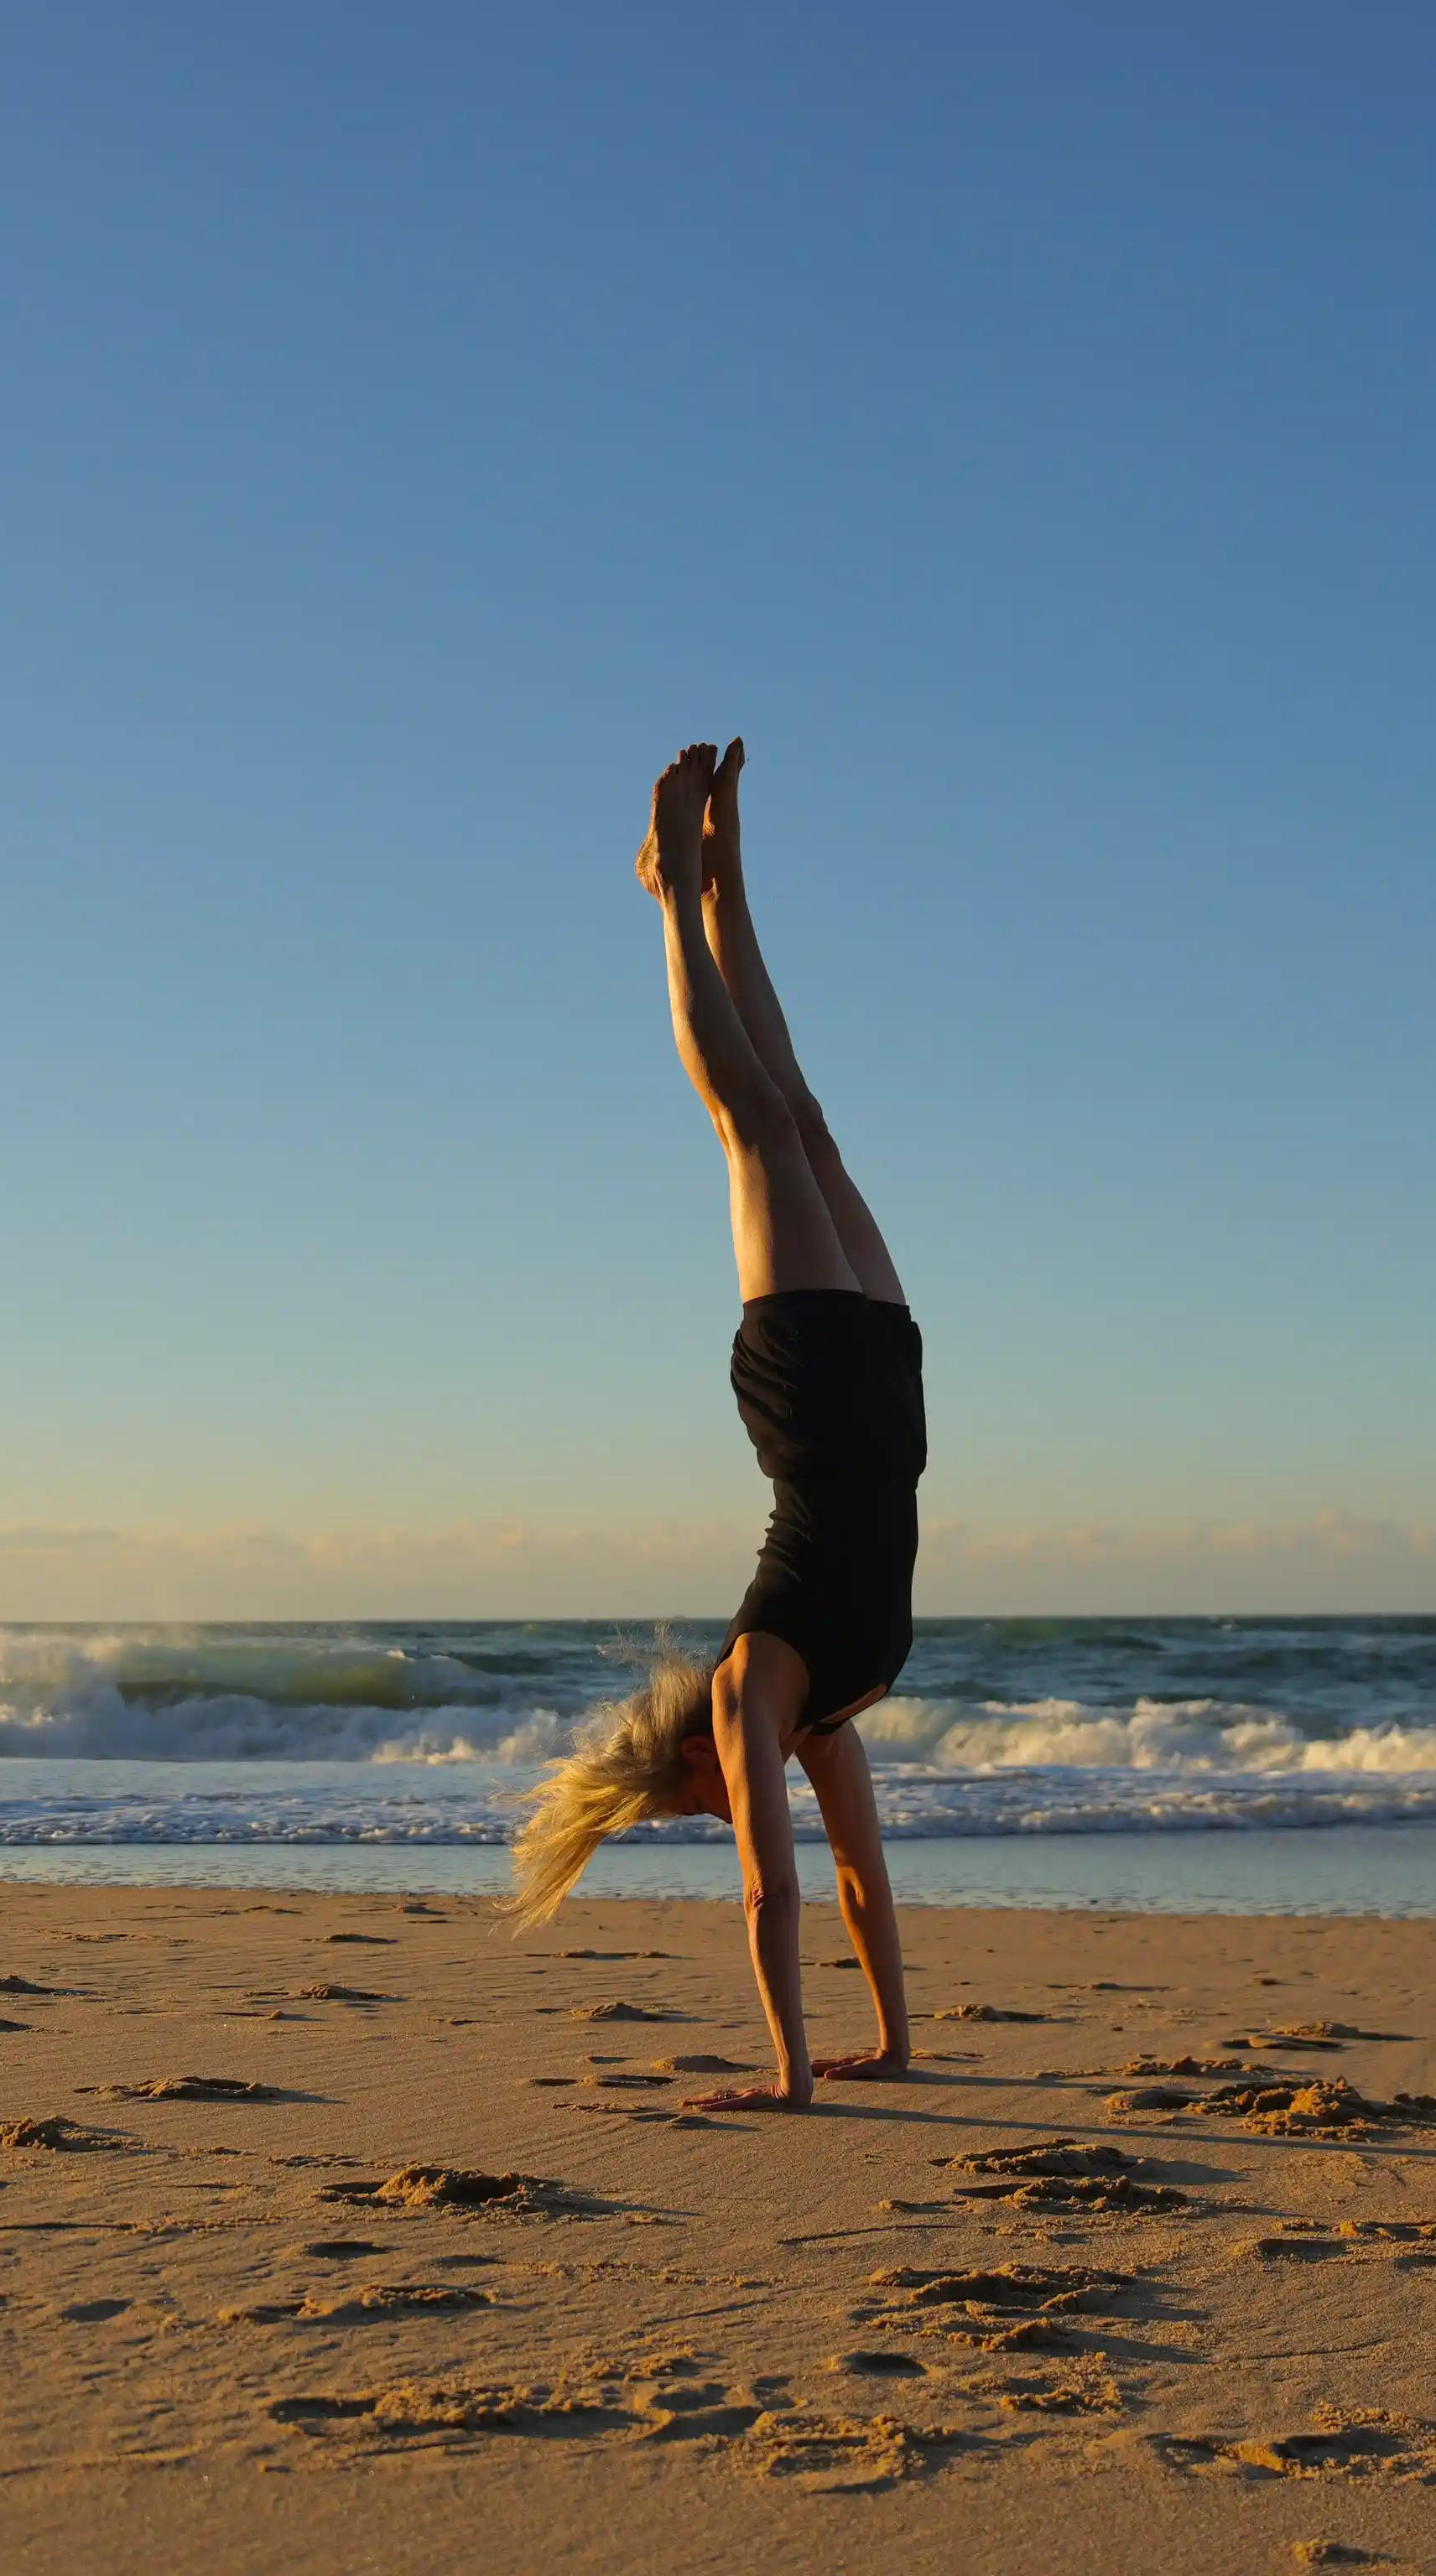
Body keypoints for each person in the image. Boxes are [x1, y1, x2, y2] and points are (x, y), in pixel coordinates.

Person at [507, 740, 922, 2113]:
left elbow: (771, 1891)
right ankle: (722, 873)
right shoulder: (824, 1714)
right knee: (807, 1123)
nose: (735, 1802)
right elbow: (857, 1874)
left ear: (701, 1754)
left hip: (817, 1396)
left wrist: (793, 2077)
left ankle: (674, 899)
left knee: (751, 1126)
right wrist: (893, 2046)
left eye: (705, 1800)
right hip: (886, 1388)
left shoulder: (757, 1689)